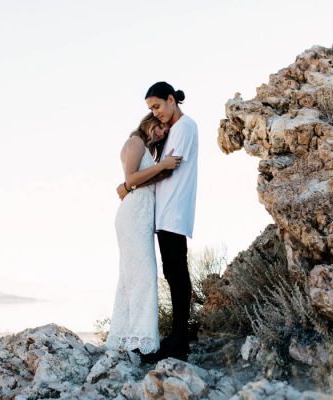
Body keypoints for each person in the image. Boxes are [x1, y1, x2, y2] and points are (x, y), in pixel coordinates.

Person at [119, 81, 198, 362]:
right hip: (164, 213)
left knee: (177, 274)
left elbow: (167, 170)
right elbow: (159, 168)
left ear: (170, 100)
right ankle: (177, 337)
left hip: (173, 211)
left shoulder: (185, 127)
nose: (156, 113)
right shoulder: (173, 131)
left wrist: (128, 186)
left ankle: (179, 340)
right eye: (151, 109)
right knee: (172, 273)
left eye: (157, 106)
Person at [106, 113, 181, 356]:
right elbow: (130, 179)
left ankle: (128, 338)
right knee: (144, 276)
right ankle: (141, 342)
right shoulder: (136, 141)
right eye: (159, 126)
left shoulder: (149, 149)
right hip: (132, 215)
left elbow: (142, 182)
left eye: (165, 130)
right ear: (148, 121)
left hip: (142, 216)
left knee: (133, 277)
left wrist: (164, 169)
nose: (161, 132)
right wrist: (162, 166)